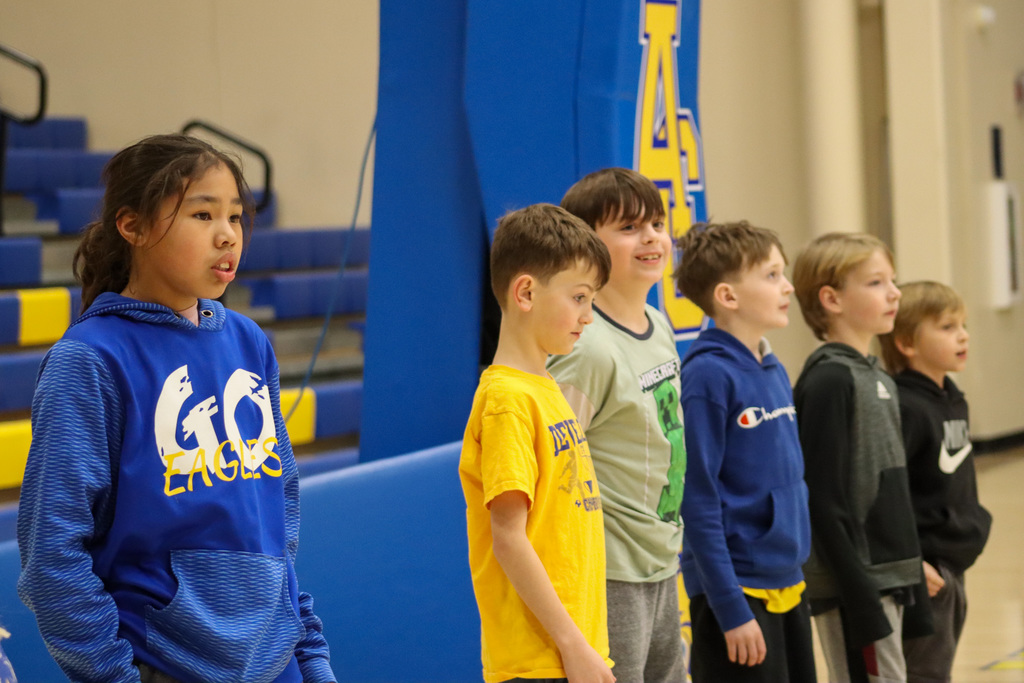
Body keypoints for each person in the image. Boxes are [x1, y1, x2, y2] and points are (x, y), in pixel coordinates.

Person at [16, 134, 336, 683]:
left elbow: (275, 535)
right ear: (132, 227)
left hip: (278, 665)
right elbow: (52, 558)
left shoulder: (249, 341)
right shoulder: (89, 361)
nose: (226, 235)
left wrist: (310, 659)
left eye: (235, 217)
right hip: (166, 665)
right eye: (202, 214)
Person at [459, 203, 615, 683]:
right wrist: (572, 645)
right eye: (580, 298)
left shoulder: (544, 384)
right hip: (540, 659)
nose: (588, 317)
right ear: (526, 291)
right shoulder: (507, 399)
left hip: (570, 649)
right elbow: (508, 538)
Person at [546, 168, 687, 682]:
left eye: (656, 223)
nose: (651, 237)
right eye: (630, 228)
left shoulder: (661, 325)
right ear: (589, 248)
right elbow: (553, 471)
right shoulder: (587, 350)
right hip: (610, 569)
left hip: (660, 557)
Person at [674, 221, 815, 682]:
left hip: (787, 582)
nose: (787, 286)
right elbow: (696, 499)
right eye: (772, 275)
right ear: (728, 297)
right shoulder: (708, 377)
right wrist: (731, 609)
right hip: (737, 595)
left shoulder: (771, 368)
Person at [792, 232, 931, 683]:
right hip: (858, 586)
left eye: (893, 281)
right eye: (876, 283)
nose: (894, 293)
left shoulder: (878, 377)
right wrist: (859, 592)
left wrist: (911, 567)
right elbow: (824, 500)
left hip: (888, 577)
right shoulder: (830, 380)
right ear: (831, 298)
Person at [878, 281, 992, 683]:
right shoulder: (905, 406)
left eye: (962, 325)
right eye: (947, 327)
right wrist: (912, 559)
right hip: (925, 569)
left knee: (939, 666)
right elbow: (890, 494)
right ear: (907, 343)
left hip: (954, 562)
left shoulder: (952, 397)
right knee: (923, 672)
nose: (962, 335)